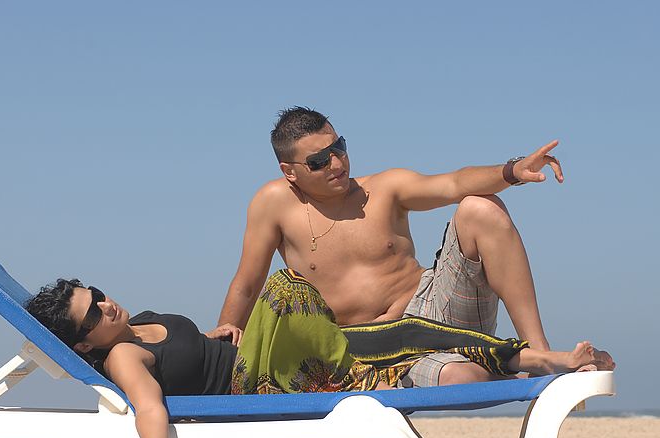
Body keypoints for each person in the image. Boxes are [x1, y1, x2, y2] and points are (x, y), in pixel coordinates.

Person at [26, 269, 614, 438]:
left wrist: (219, 334)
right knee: (288, 291)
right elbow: (149, 409)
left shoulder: (138, 322)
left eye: (98, 295)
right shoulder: (126, 354)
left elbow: (189, 356)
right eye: (94, 313)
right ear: (85, 345)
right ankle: (546, 359)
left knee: (405, 330)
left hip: (258, 361)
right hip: (257, 389)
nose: (108, 306)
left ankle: (537, 358)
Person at [217, 106, 607, 387]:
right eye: (318, 161)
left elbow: (454, 183)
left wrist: (511, 171)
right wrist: (222, 340)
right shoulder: (273, 204)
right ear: (290, 172)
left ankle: (538, 355)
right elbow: (247, 283)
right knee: (461, 378)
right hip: (373, 348)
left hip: (435, 309)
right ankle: (505, 363)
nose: (336, 163)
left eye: (339, 147)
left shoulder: (384, 189)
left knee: (479, 207)